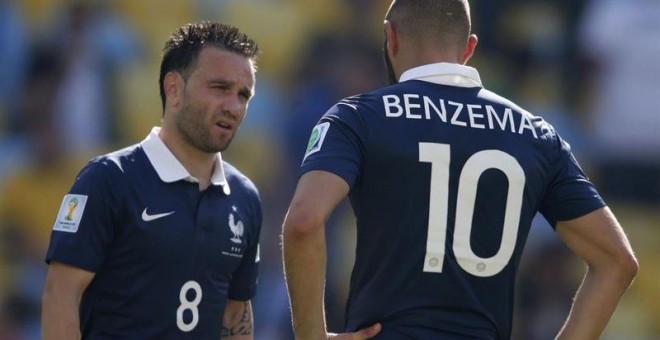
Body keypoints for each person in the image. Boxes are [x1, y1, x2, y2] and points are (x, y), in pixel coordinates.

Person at [281, 1, 638, 339]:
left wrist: (311, 335)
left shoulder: (357, 117)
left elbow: (303, 221)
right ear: (469, 48)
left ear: (390, 37)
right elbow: (617, 261)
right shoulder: (537, 135)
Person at [41, 21, 263, 339]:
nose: (233, 106)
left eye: (243, 95)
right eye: (220, 88)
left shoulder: (245, 198)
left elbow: (236, 313)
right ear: (173, 89)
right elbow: (60, 293)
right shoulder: (107, 180)